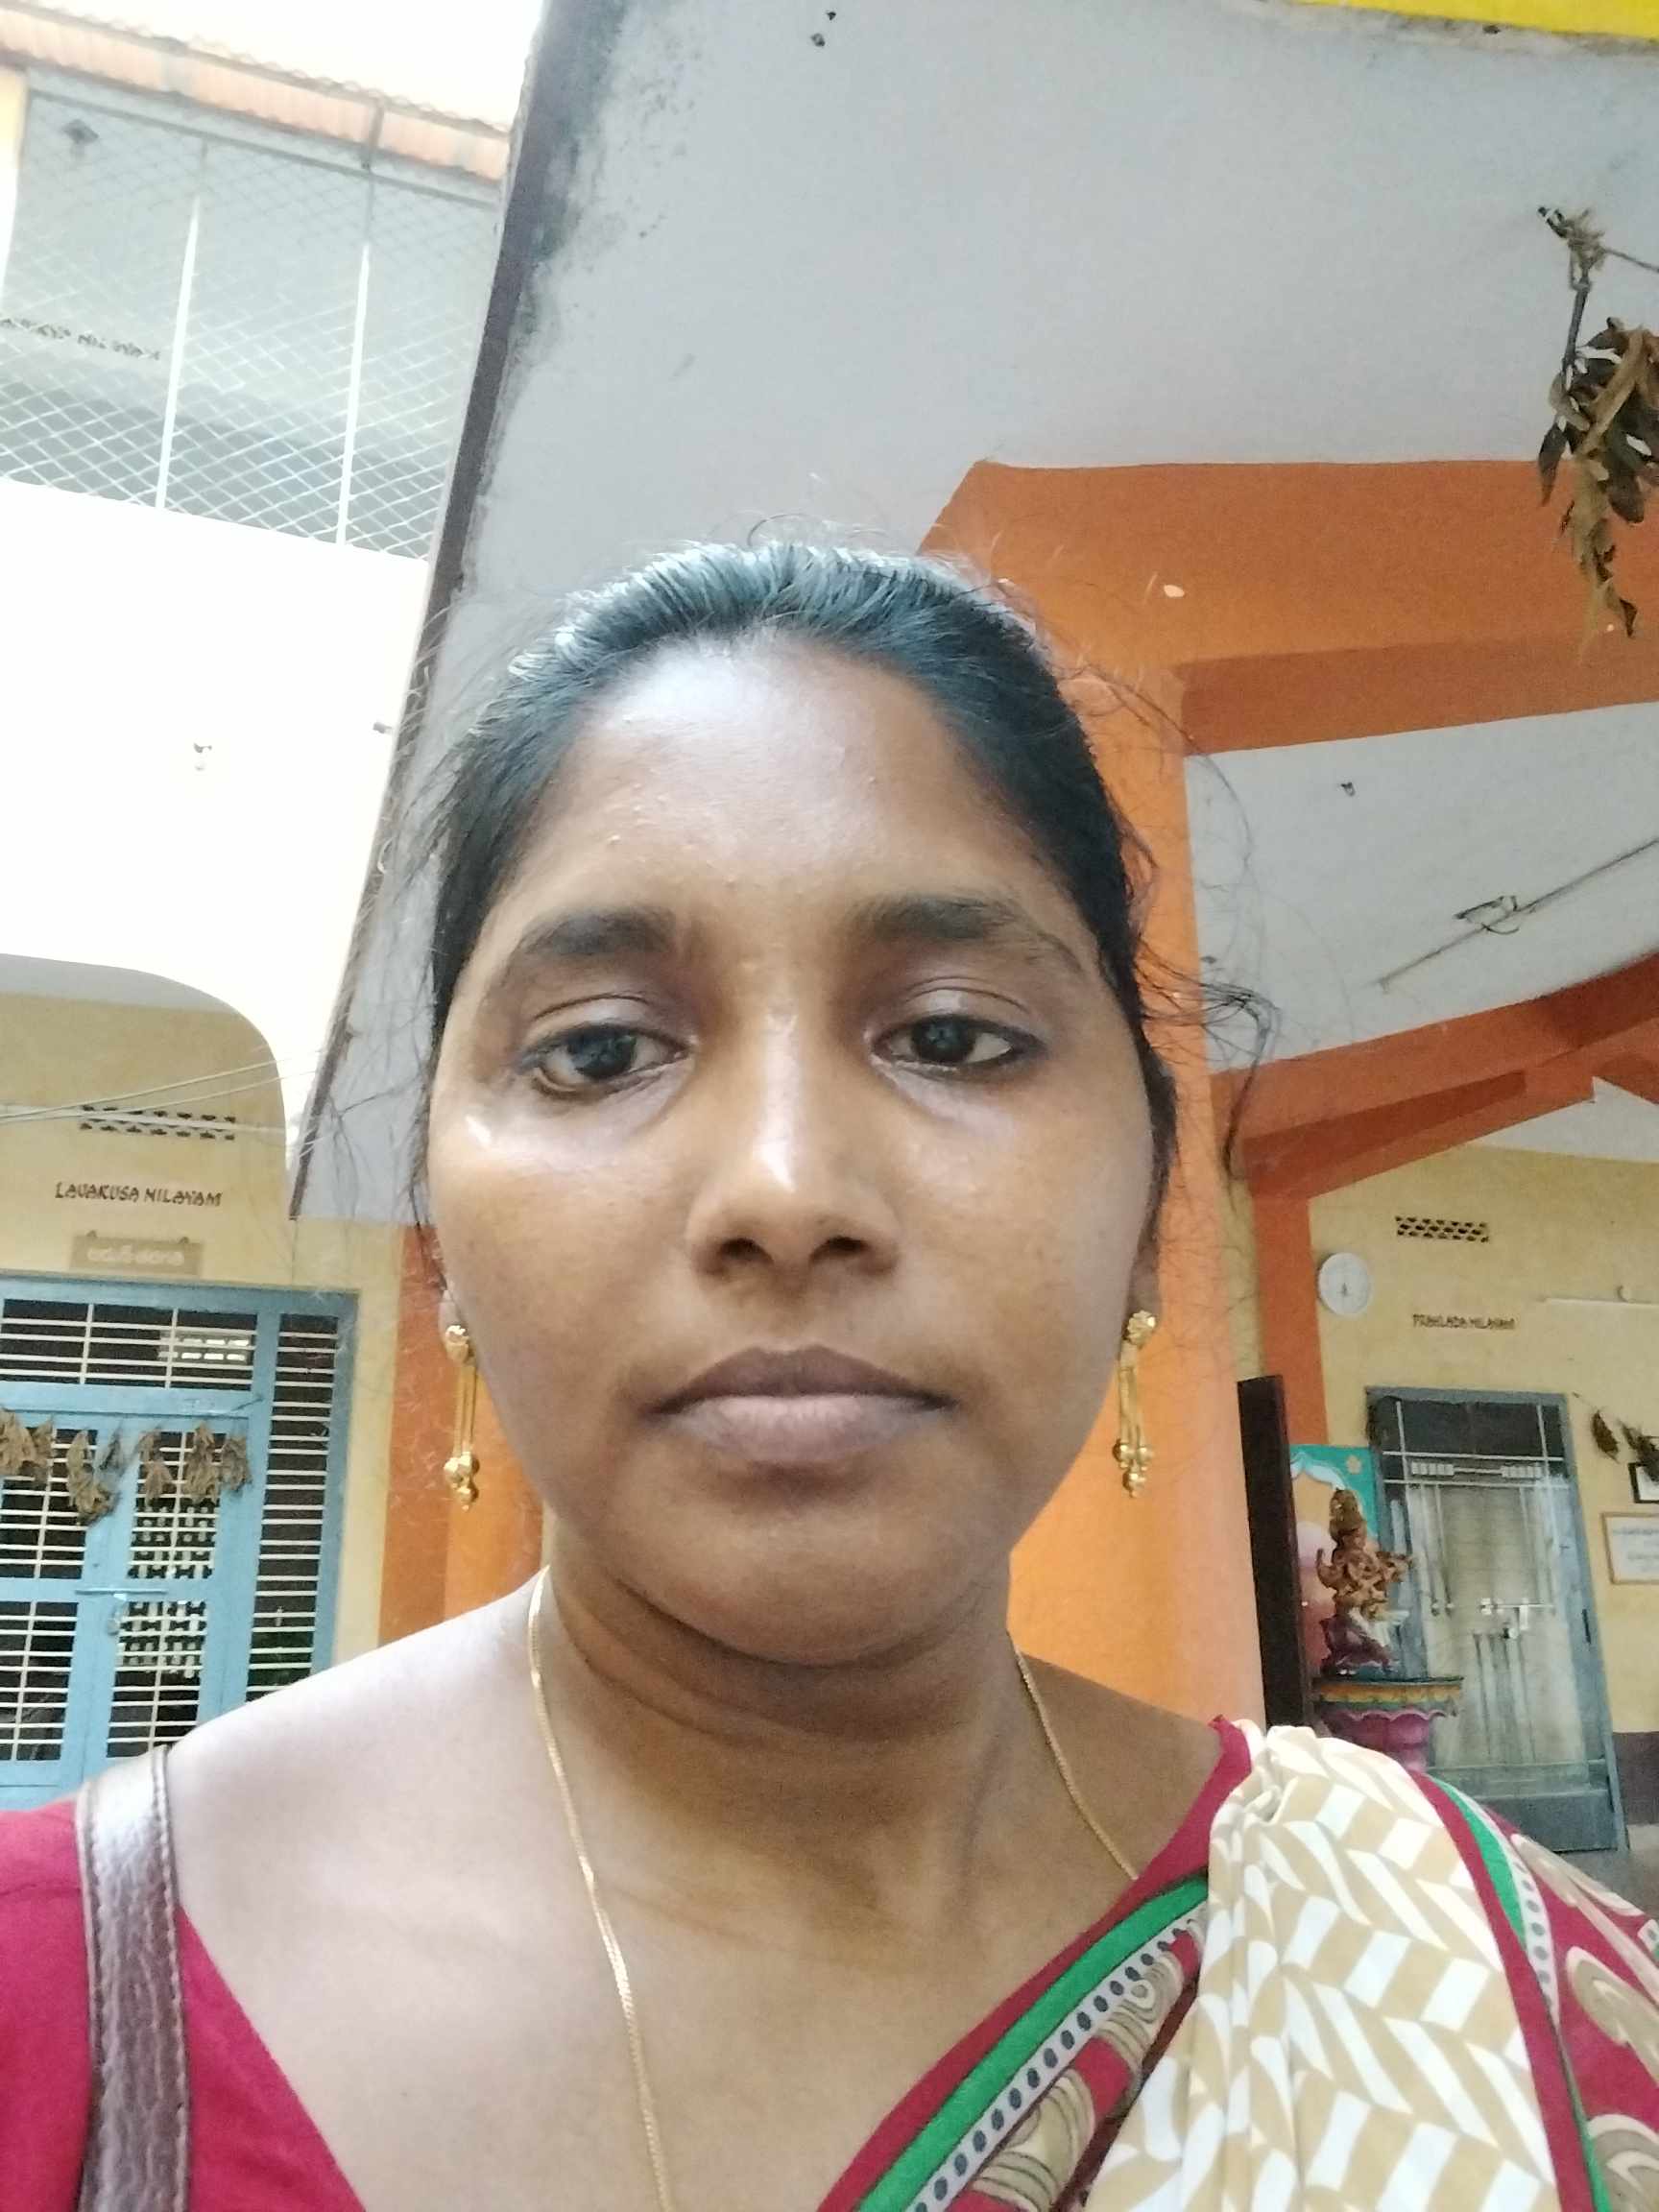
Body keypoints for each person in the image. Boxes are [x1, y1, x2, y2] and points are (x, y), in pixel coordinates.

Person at [3, 543, 1657, 2211]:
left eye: (951, 1035)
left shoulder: (1498, 1992)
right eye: (598, 1049)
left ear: (1152, 1215)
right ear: (439, 1240)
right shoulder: (53, 2001)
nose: (786, 1192)